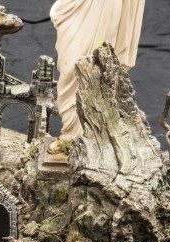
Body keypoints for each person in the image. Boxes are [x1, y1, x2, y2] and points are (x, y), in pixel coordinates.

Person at [49, 0, 145, 154]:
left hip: (104, 7)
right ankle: (70, 132)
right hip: (79, 6)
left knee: (92, 66)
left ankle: (77, 137)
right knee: (69, 65)